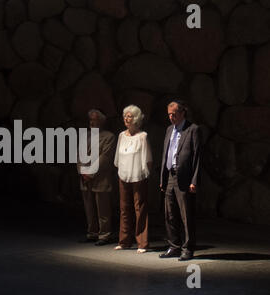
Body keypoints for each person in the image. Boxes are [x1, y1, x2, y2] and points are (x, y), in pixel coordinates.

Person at [159, 100, 201, 261]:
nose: (171, 117)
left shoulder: (193, 129)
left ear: (183, 113)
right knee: (169, 213)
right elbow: (166, 153)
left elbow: (197, 157)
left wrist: (194, 181)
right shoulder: (169, 129)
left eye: (174, 114)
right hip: (170, 175)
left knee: (186, 215)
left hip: (185, 177)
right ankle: (174, 245)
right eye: (169, 114)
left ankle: (188, 248)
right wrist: (163, 178)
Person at [113, 105, 152, 254]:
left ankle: (142, 243)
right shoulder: (122, 136)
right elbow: (117, 158)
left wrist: (145, 174)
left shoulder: (143, 136)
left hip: (138, 176)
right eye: (125, 116)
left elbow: (148, 159)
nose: (126, 119)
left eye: (129, 116)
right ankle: (124, 241)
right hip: (123, 175)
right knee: (124, 209)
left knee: (140, 209)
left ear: (135, 119)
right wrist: (121, 171)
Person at [77, 109, 116, 246]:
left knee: (102, 209)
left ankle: (104, 235)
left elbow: (104, 158)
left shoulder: (109, 136)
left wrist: (91, 173)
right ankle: (92, 232)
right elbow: (80, 156)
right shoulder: (85, 136)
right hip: (85, 178)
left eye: (95, 120)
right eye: (91, 120)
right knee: (89, 208)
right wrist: (82, 172)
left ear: (102, 121)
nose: (92, 122)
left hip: (101, 178)